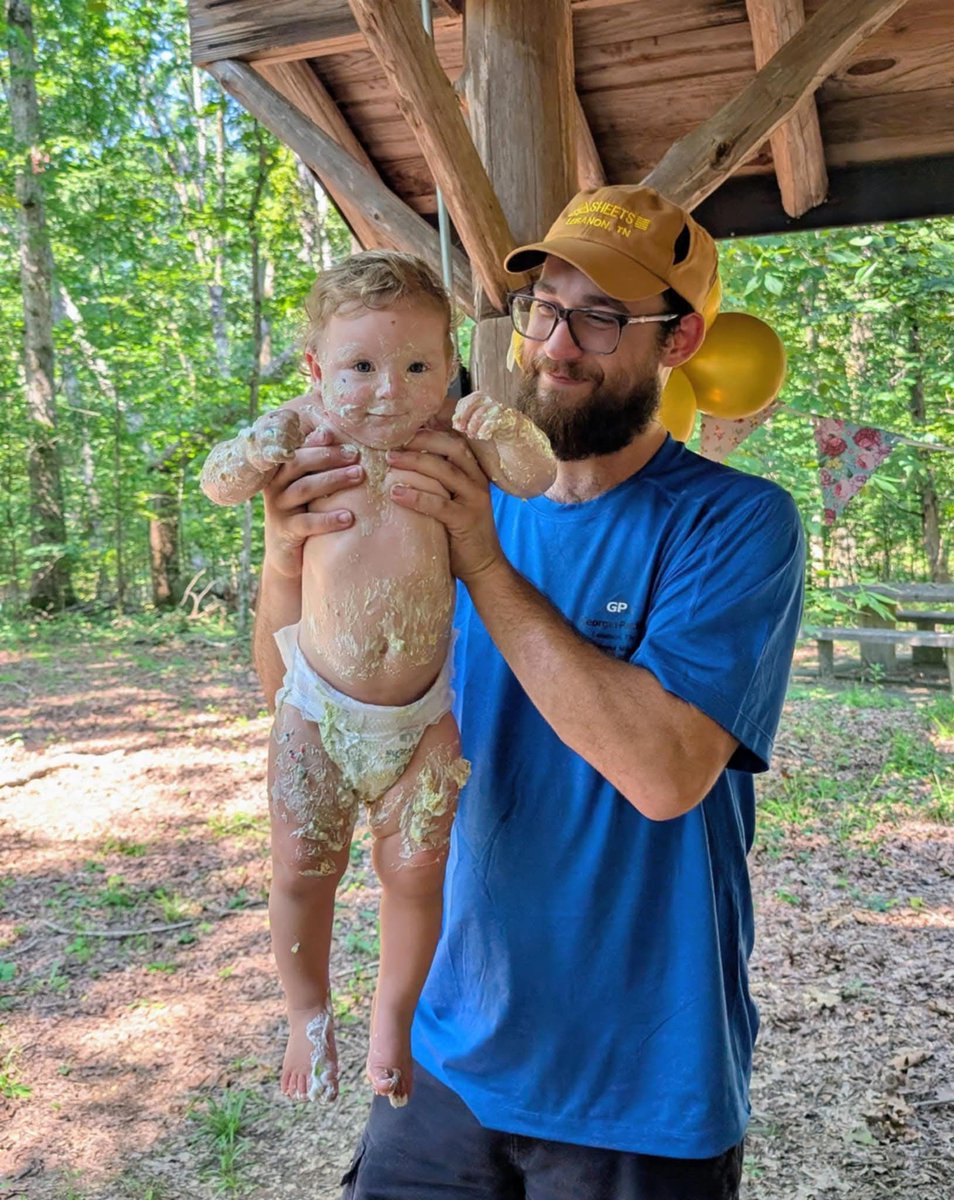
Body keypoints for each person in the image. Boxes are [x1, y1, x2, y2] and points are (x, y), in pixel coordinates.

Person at [256, 187, 805, 1200]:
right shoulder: (429, 488)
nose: (554, 344)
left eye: (600, 315)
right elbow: (302, 697)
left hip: (637, 1085)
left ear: (679, 340)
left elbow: (662, 772)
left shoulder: (736, 524)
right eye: (544, 306)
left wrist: (486, 561)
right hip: (446, 1059)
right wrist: (284, 556)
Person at [200, 251, 556, 1108]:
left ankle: (391, 1021)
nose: (389, 389)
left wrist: (503, 428)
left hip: (423, 717)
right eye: (360, 366)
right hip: (316, 710)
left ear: (448, 369)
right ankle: (306, 1010)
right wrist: (257, 447)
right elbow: (219, 484)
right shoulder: (306, 429)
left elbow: (536, 476)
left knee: (415, 878)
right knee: (299, 871)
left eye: (417, 366)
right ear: (318, 370)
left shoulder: (448, 438)